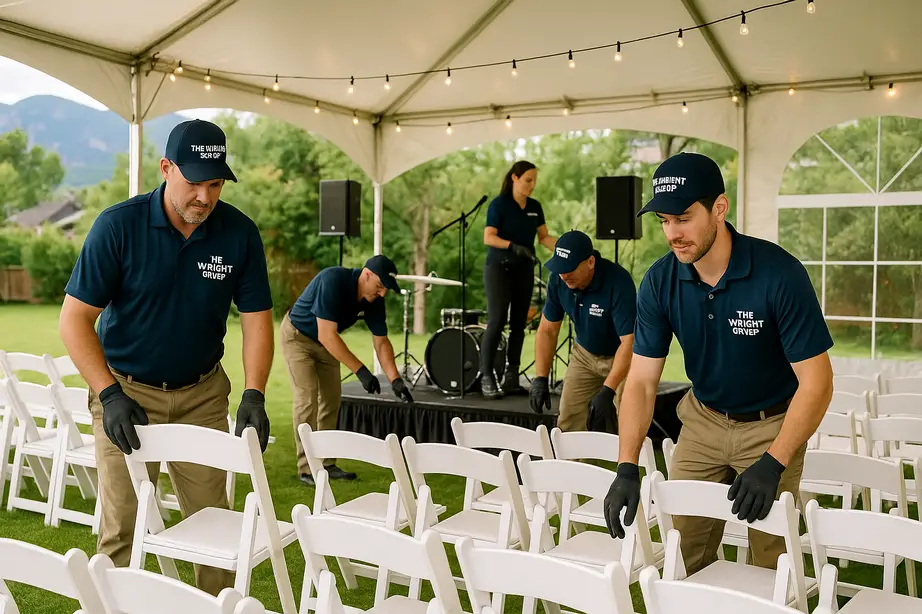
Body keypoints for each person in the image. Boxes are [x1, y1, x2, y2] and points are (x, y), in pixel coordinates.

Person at [59, 119, 274, 596]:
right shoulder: (118, 226)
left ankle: (215, 607)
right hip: (126, 393)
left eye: (214, 183)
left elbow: (257, 318)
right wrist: (108, 394)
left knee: (214, 525)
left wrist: (255, 392)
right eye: (193, 181)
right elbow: (74, 321)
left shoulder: (239, 232)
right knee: (123, 526)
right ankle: (111, 606)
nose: (204, 195)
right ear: (165, 168)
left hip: (202, 395)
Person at [602, 152, 834, 575]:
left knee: (772, 565)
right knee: (681, 552)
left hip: (772, 426)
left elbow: (817, 382)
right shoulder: (659, 280)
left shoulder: (779, 274)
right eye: (664, 221)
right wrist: (626, 466)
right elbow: (639, 382)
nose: (673, 233)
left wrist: (774, 461)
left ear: (720, 208)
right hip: (703, 422)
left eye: (684, 218)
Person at [280, 254, 413, 486]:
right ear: (366, 274)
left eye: (386, 290)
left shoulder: (374, 301)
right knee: (307, 399)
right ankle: (307, 467)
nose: (382, 293)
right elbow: (326, 333)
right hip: (297, 338)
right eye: (380, 286)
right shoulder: (334, 280)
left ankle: (327, 464)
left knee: (331, 400)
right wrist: (361, 371)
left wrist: (395, 380)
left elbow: (381, 342)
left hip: (325, 343)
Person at [529, 230, 636, 433]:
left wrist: (608, 389)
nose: (564, 275)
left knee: (628, 418)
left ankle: (626, 463)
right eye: (560, 268)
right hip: (584, 355)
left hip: (621, 356)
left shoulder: (618, 282)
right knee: (568, 420)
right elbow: (547, 331)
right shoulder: (558, 280)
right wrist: (540, 378)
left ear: (590, 262)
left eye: (569, 268)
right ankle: (570, 465)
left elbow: (629, 342)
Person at [481, 160, 557, 399]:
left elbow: (543, 237)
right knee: (497, 320)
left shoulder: (535, 206)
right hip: (499, 269)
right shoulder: (499, 205)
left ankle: (511, 376)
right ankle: (487, 376)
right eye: (528, 180)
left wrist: (567, 248)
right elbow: (488, 237)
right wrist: (512, 246)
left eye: (534, 181)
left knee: (518, 324)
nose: (532, 185)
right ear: (514, 178)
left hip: (525, 269)